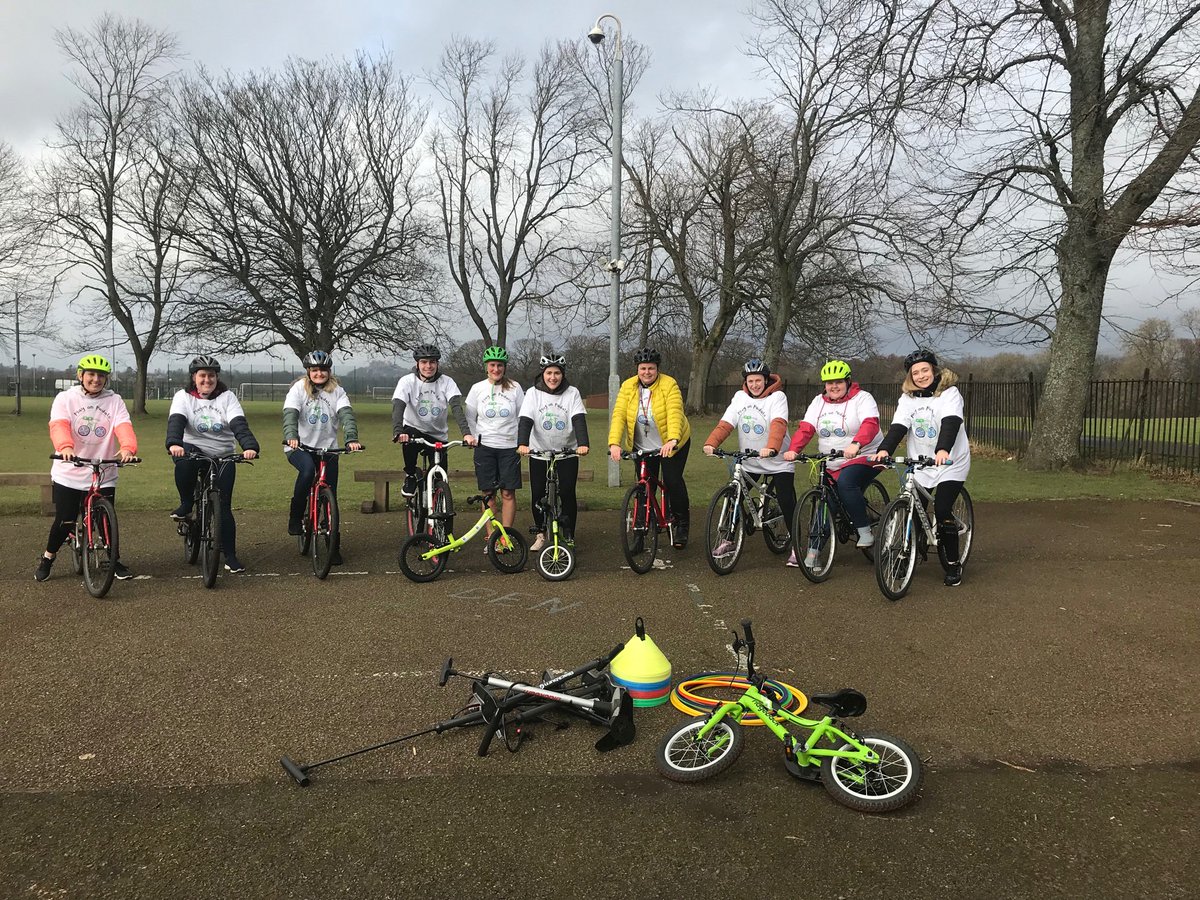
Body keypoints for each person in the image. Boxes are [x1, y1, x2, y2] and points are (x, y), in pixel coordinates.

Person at [873, 348, 972, 587]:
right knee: (914, 510)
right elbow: (898, 426)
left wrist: (943, 450)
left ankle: (952, 563)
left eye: (924, 370)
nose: (920, 376)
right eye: (915, 372)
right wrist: (885, 449)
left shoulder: (949, 393)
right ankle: (907, 555)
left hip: (950, 461)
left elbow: (951, 422)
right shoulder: (908, 398)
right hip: (920, 462)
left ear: (934, 370)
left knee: (942, 509)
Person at [35, 354, 139, 582]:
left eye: (101, 375)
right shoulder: (66, 398)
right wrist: (65, 447)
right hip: (70, 472)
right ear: (81, 376)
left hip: (103, 471)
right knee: (65, 520)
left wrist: (128, 448)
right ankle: (48, 557)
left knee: (106, 520)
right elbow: (59, 425)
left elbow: (123, 426)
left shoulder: (114, 400)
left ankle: (113, 559)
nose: (96, 379)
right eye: (91, 374)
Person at [784, 359, 884, 569]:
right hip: (831, 459)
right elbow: (806, 428)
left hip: (865, 455)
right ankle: (813, 552)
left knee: (846, 483)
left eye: (838, 382)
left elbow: (870, 424)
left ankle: (865, 531)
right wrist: (794, 449)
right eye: (829, 383)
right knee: (825, 501)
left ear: (848, 382)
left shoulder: (862, 398)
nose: (834, 386)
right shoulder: (818, 402)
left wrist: (856, 444)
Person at [166, 355, 260, 574]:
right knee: (185, 463)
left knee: (224, 507)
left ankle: (230, 556)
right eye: (202, 376)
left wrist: (250, 446)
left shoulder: (227, 397)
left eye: (211, 376)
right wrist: (174, 443)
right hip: (192, 449)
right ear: (194, 377)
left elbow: (239, 425)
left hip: (222, 454)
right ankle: (186, 503)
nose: (207, 380)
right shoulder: (183, 397)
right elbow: (176, 422)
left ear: (217, 378)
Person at [703, 358, 797, 566]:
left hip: (777, 460)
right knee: (733, 496)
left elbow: (778, 424)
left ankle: (797, 546)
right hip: (750, 459)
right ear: (746, 382)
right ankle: (728, 540)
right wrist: (711, 443)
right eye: (751, 381)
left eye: (758, 380)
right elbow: (726, 423)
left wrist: (772, 447)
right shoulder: (740, 398)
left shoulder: (777, 397)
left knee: (786, 501)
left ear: (766, 380)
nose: (755, 385)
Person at [283, 350, 361, 565]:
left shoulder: (337, 391)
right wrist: (291, 436)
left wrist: (351, 438)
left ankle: (333, 546)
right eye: (315, 370)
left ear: (329, 371)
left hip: (328, 450)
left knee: (331, 496)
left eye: (323, 370)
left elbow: (347, 416)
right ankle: (296, 516)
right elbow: (290, 415)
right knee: (308, 471)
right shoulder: (298, 389)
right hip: (300, 447)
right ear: (309, 371)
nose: (319, 373)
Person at [608, 348, 692, 548]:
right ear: (637, 369)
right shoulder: (628, 386)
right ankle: (640, 533)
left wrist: (673, 439)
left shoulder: (669, 384)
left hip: (671, 443)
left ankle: (681, 523)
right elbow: (619, 415)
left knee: (672, 480)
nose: (647, 372)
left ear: (657, 369)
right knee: (644, 487)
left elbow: (674, 413)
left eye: (651, 368)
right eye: (643, 368)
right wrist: (614, 443)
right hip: (643, 446)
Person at [516, 353, 591, 551]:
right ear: (542, 374)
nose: (553, 377)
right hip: (539, 451)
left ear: (562, 374)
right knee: (537, 493)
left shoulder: (572, 393)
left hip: (566, 452)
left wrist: (583, 443)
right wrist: (522, 443)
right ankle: (541, 533)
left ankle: (568, 533)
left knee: (567, 492)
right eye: (549, 373)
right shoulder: (533, 393)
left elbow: (578, 419)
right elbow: (525, 420)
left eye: (557, 373)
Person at [391, 344, 476, 497]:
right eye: (424, 362)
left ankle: (437, 502)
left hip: (438, 435)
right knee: (409, 435)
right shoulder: (407, 381)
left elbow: (456, 408)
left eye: (432, 362)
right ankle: (410, 475)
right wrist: (398, 431)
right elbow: (398, 407)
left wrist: (467, 434)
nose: (428, 366)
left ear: (437, 363)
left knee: (439, 475)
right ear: (417, 364)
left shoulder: (447, 382)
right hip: (414, 430)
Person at [465, 346, 524, 544]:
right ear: (486, 367)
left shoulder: (515, 387)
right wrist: (474, 437)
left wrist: (521, 441)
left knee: (507, 492)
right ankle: (491, 536)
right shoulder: (477, 388)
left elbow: (522, 416)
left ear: (504, 367)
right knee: (488, 494)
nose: (496, 369)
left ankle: (505, 536)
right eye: (492, 365)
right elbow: (470, 417)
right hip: (485, 447)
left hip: (509, 447)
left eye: (500, 365)